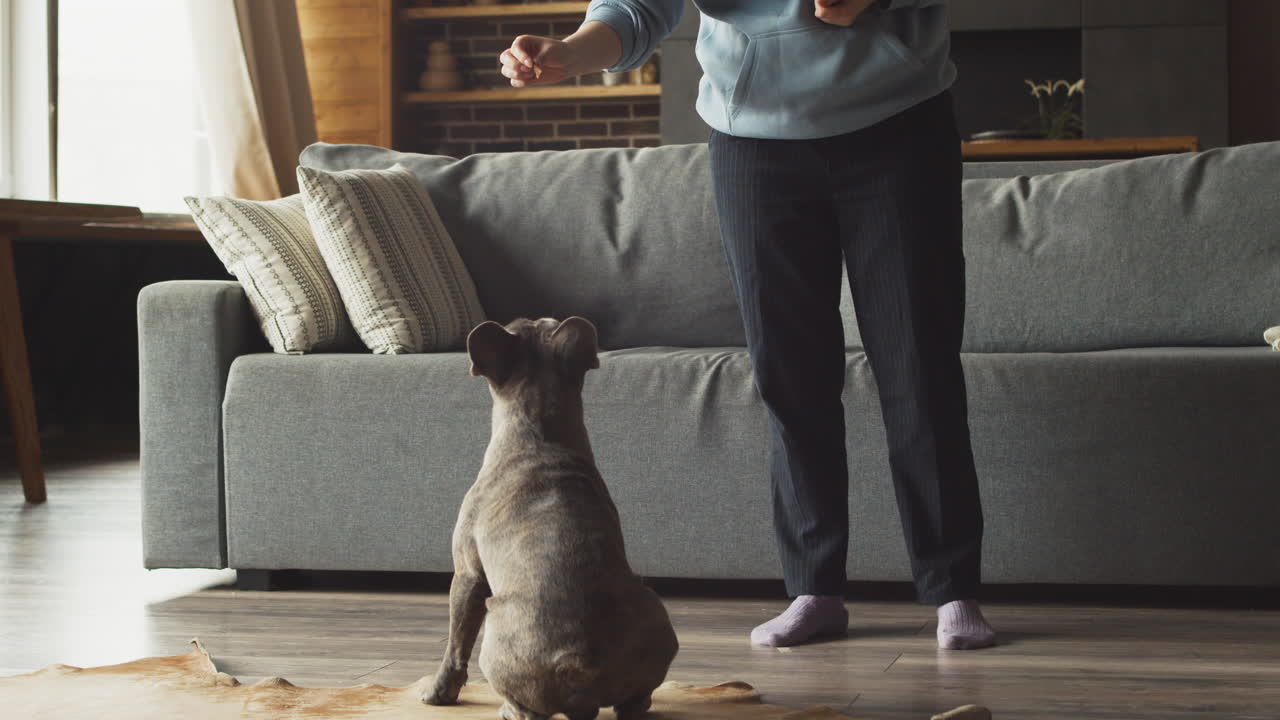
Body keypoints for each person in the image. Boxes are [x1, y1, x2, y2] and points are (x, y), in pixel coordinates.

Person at [498, 0, 996, 650]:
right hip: (754, 146)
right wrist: (570, 52)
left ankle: (953, 589)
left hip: (899, 126)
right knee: (789, 375)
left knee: (919, 366)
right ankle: (815, 588)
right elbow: (638, 8)